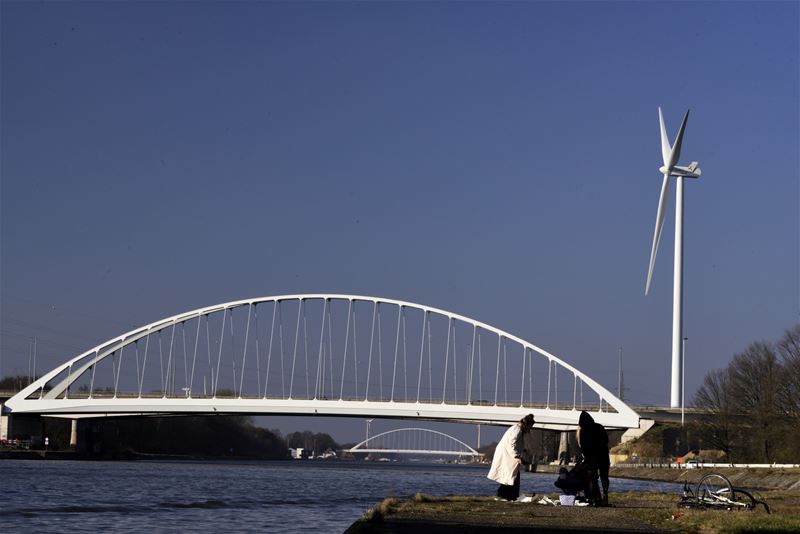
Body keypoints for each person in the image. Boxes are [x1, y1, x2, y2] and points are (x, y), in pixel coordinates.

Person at [487, 414, 535, 501]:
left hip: (508, 454)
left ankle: (508, 495)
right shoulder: (517, 430)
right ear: (527, 425)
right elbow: (511, 443)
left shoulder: (517, 428)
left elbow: (515, 443)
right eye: (530, 427)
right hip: (508, 454)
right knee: (512, 475)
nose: (529, 429)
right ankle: (508, 495)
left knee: (511, 475)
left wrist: (522, 451)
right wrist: (516, 456)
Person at [576, 410, 610, 506]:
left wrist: (586, 456)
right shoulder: (599, 427)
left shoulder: (583, 431)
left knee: (592, 478)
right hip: (603, 456)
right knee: (604, 477)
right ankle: (605, 496)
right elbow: (606, 440)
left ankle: (596, 498)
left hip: (592, 458)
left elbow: (583, 446)